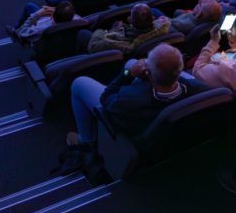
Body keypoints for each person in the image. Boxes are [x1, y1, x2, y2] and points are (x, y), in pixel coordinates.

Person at [59, 44, 209, 173]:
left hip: (131, 126)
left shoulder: (128, 99)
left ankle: (86, 140)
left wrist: (128, 74)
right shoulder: (198, 89)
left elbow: (106, 98)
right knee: (131, 62)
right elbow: (172, 76)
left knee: (79, 83)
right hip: (159, 116)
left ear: (149, 74)